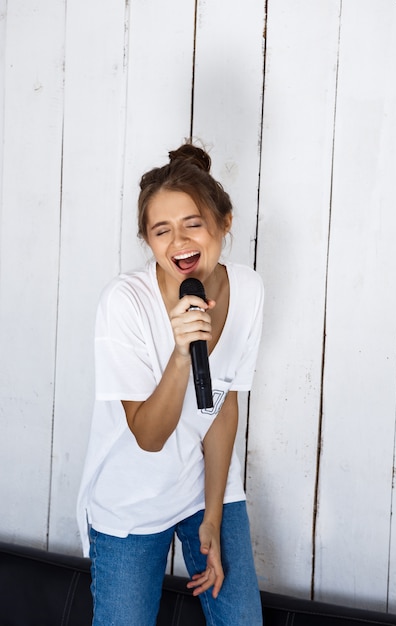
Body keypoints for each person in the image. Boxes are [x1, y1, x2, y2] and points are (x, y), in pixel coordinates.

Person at [77, 141, 264, 625]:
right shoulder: (125, 303)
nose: (178, 242)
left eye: (193, 224)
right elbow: (149, 435)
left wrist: (214, 517)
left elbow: (223, 406)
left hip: (206, 484)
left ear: (225, 221)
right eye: (162, 231)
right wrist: (181, 354)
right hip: (130, 499)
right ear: (148, 240)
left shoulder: (248, 289)